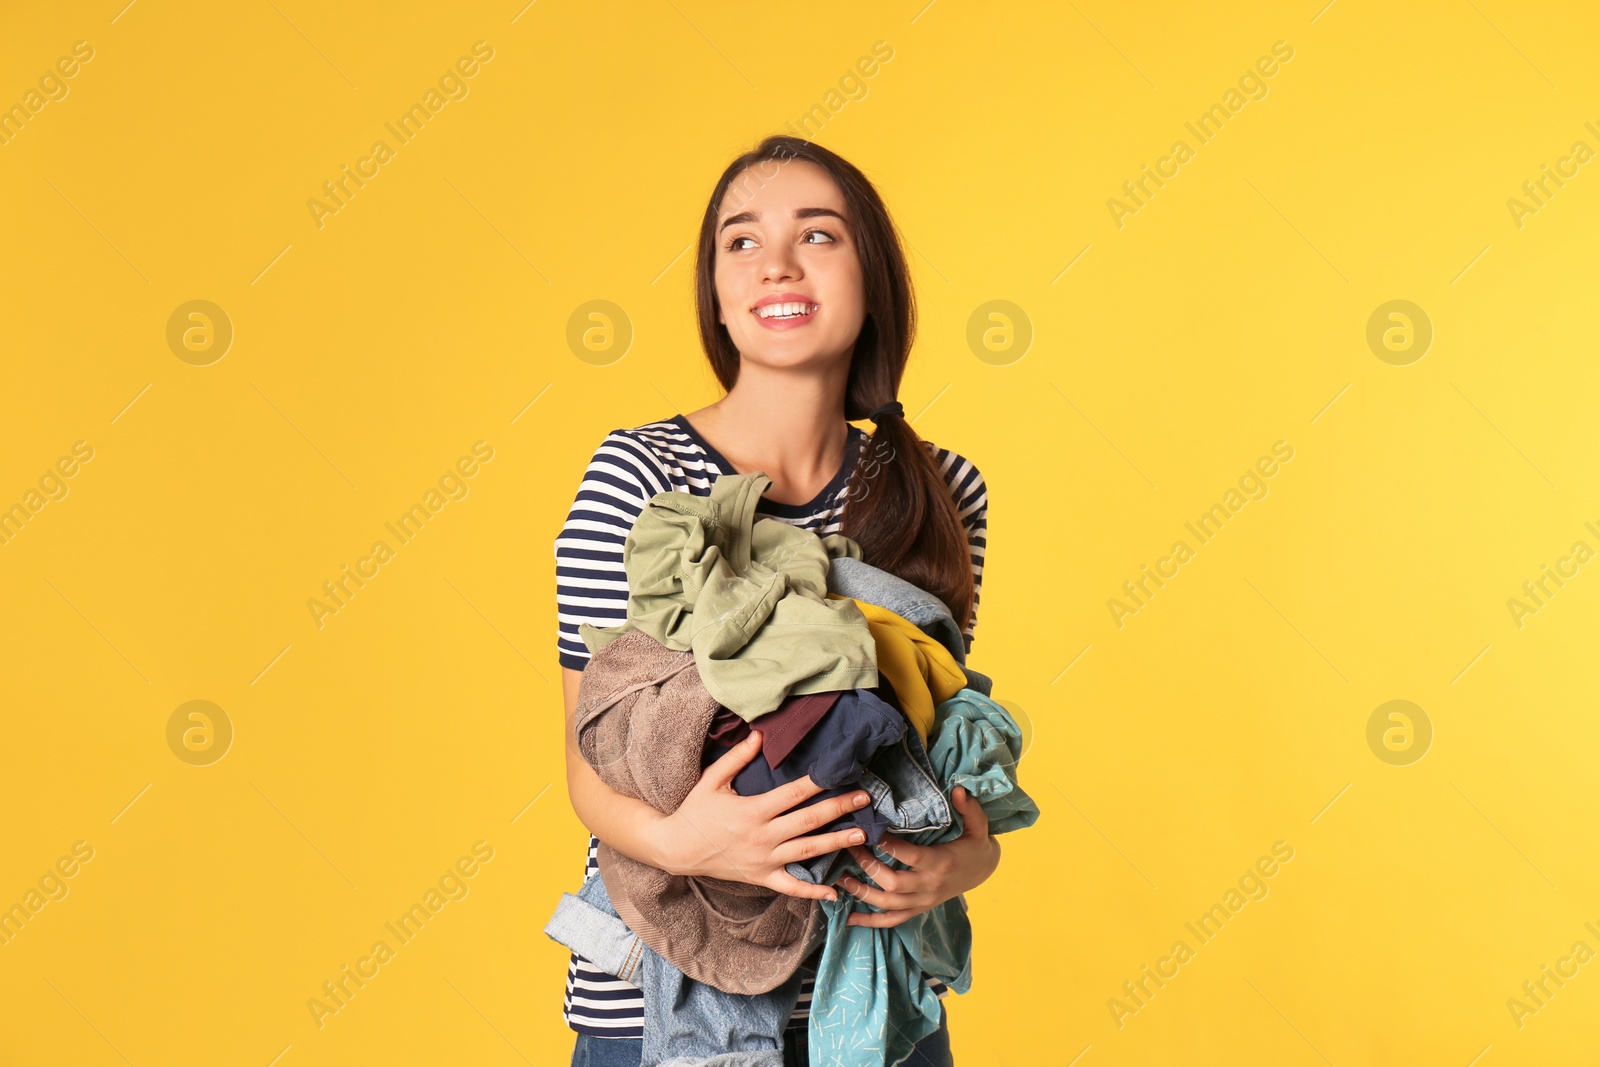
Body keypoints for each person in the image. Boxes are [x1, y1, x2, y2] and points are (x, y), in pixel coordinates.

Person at [555, 134, 999, 1067]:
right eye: (742, 242)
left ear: (872, 276)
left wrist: (971, 857)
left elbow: (940, 736)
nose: (778, 265)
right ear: (716, 293)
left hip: (878, 1014)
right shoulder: (641, 474)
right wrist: (690, 841)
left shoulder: (941, 488)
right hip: (663, 999)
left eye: (820, 235)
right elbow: (589, 756)